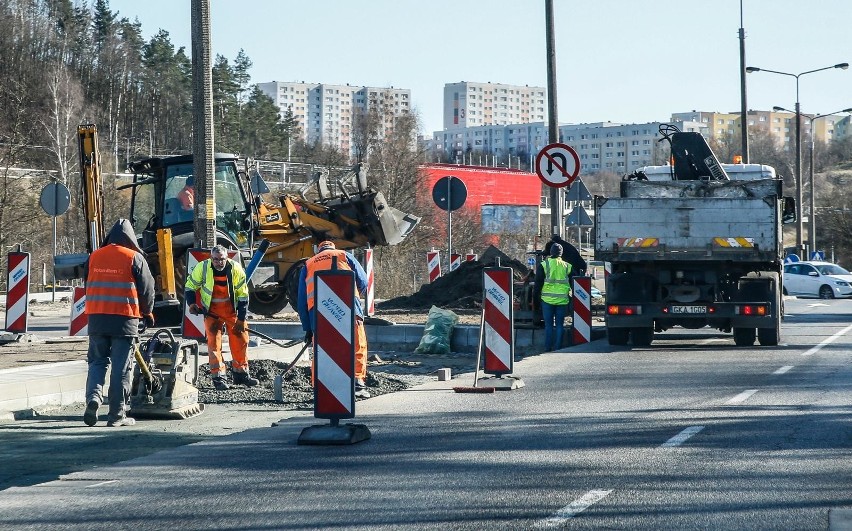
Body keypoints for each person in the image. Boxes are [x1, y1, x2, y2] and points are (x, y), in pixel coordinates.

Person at [83, 219, 156, 427]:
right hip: (124, 320)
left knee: (97, 362)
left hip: (97, 319)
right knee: (121, 368)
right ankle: (116, 415)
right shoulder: (135, 257)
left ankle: (94, 399)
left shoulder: (94, 257)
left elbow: (87, 284)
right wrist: (147, 312)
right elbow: (147, 289)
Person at [297, 241, 371, 398]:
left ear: (319, 250)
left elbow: (301, 300)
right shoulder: (345, 256)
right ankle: (357, 382)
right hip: (349, 308)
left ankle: (319, 387)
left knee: (320, 349)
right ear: (333, 248)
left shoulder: (309, 264)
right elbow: (363, 282)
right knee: (358, 344)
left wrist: (308, 328)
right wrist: (356, 295)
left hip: (319, 313)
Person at [185, 244, 258, 391]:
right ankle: (218, 378)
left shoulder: (236, 269)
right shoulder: (203, 267)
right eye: (216, 259)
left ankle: (241, 374)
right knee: (214, 344)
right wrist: (191, 303)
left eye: (221, 259)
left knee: (241, 339)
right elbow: (190, 286)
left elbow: (243, 296)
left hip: (232, 312)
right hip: (212, 312)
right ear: (211, 258)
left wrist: (241, 319)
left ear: (227, 258)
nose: (219, 262)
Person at [535, 242, 573, 351]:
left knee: (549, 325)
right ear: (561, 253)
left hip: (547, 300)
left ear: (551, 252)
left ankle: (548, 347)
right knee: (560, 325)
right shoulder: (567, 266)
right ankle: (558, 347)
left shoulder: (544, 265)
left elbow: (538, 285)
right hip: (562, 300)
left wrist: (536, 300)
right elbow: (574, 283)